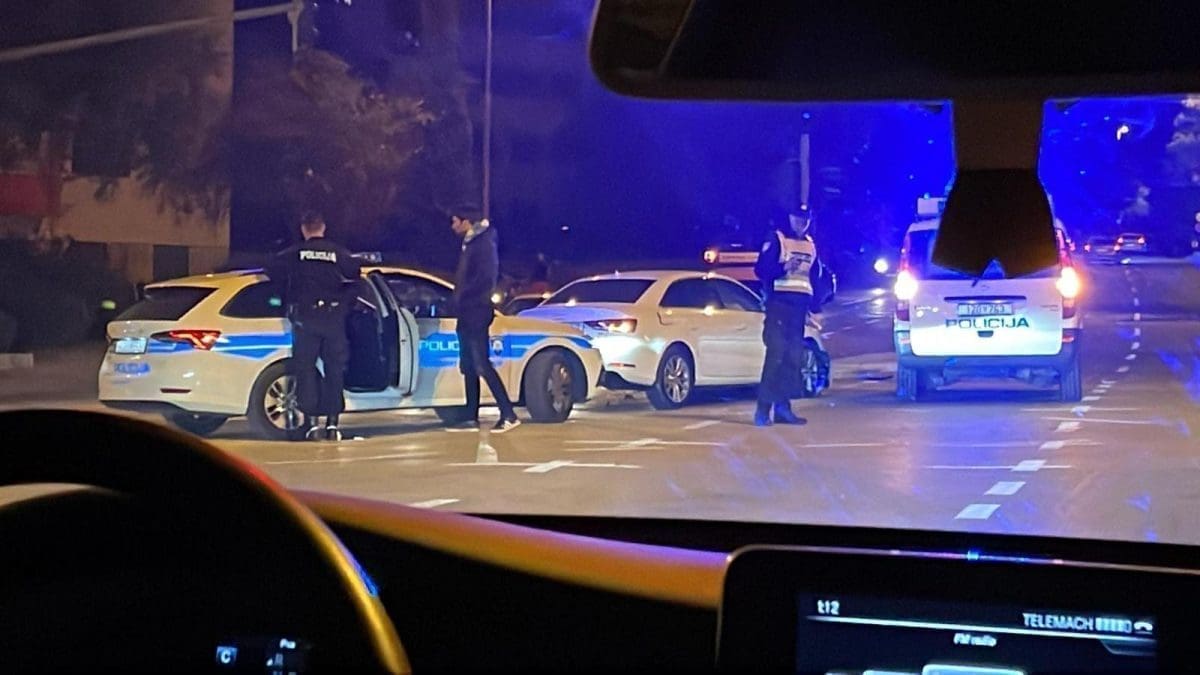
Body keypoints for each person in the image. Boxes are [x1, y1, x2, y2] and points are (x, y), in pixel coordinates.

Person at [269, 211, 361, 441]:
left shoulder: (294, 254)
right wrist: (343, 304)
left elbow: (271, 269)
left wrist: (288, 295)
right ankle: (332, 425)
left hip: (306, 318)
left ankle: (310, 424)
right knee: (334, 371)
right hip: (333, 318)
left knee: (306, 370)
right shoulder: (338, 253)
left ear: (304, 229)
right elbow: (356, 277)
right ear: (323, 228)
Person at [448, 206, 521, 433]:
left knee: (482, 363)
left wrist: (465, 296)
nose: (453, 226)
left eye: (455, 221)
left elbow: (485, 279)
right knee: (469, 365)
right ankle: (471, 416)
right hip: (466, 311)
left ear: (466, 221)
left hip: (476, 311)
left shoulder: (483, 244)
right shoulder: (471, 243)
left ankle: (508, 414)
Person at [753, 207, 821, 427]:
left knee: (792, 357)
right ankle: (763, 410)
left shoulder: (810, 244)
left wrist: (814, 307)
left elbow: (814, 277)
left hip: (798, 309)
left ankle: (783, 408)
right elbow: (761, 270)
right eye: (798, 219)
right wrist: (783, 268)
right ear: (790, 218)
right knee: (776, 354)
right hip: (779, 305)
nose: (802, 224)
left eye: (805, 220)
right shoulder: (778, 239)